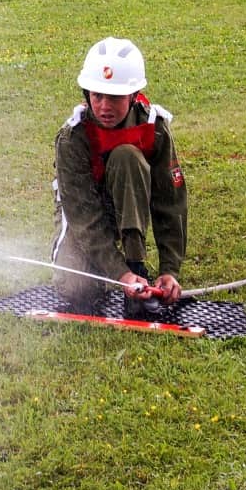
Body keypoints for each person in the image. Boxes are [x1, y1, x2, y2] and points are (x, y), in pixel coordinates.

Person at [52, 37, 187, 317]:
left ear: (134, 95)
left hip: (130, 208)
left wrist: (169, 270)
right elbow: (83, 218)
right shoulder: (72, 139)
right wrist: (119, 274)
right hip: (86, 215)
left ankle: (137, 267)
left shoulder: (154, 128)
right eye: (97, 96)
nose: (104, 106)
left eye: (114, 97)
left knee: (127, 156)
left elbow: (170, 203)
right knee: (77, 290)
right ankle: (121, 273)